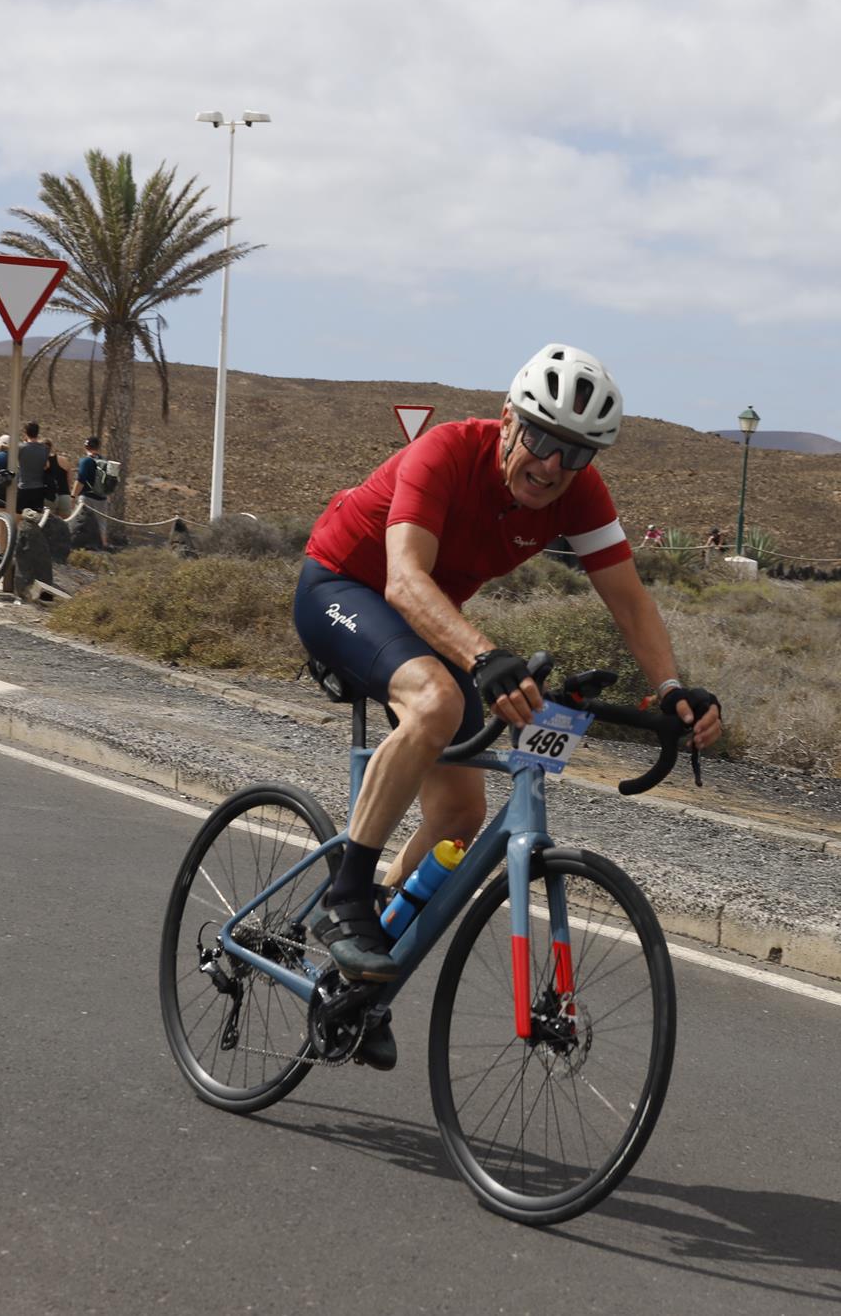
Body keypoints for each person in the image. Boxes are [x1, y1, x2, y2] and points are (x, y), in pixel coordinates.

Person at [293, 342, 723, 1070]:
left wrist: (672, 688)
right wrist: (484, 657)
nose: (554, 466)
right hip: (344, 590)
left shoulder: (578, 495)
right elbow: (402, 582)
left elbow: (628, 599)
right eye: (544, 440)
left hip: (428, 622)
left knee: (460, 814)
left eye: (576, 453)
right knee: (432, 703)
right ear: (507, 424)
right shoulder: (444, 454)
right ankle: (346, 893)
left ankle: (354, 977)